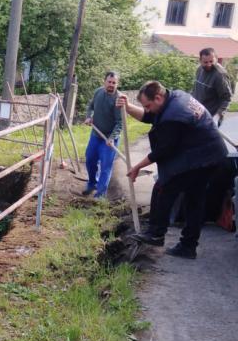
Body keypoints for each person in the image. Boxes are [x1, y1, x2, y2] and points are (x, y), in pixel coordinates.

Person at [119, 81, 228, 259]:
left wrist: (137, 167)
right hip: (212, 154)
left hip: (202, 158)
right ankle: (188, 246)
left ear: (158, 97)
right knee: (194, 199)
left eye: (148, 105)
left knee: (163, 187)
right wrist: (128, 107)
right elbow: (150, 116)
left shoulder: (174, 116)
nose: (147, 109)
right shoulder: (175, 97)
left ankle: (156, 233)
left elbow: (163, 151)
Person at [82, 71, 123, 199]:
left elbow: (120, 123)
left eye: (114, 83)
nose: (111, 84)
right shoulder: (98, 92)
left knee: (106, 166)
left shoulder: (118, 100)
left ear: (117, 84)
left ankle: (100, 195)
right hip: (96, 135)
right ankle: (92, 184)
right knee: (90, 160)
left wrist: (112, 137)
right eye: (109, 82)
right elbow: (91, 106)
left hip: (109, 139)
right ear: (104, 81)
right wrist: (89, 116)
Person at [192, 47, 232, 127]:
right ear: (200, 61)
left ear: (216, 59)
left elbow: (226, 98)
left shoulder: (219, 75)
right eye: (205, 62)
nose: (209, 64)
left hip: (210, 118)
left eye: (211, 61)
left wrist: (218, 116)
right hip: (197, 114)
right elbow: (195, 90)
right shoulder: (199, 69)